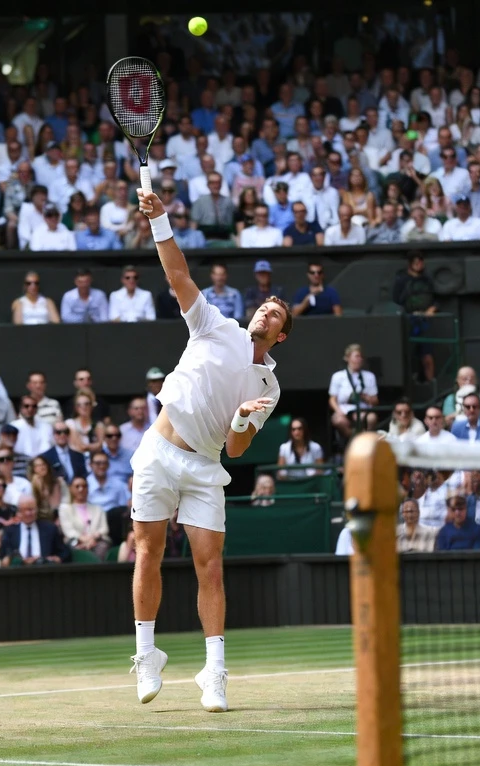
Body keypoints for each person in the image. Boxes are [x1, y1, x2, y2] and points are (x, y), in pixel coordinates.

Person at [128, 186, 292, 713]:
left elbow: (239, 450)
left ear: (281, 336)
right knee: (148, 553)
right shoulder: (214, 324)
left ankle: (214, 672)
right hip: (158, 450)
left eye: (276, 314)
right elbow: (178, 275)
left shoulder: (268, 387)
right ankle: (147, 654)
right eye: (266, 305)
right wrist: (160, 221)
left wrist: (243, 422)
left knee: (210, 567)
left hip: (204, 467)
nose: (266, 311)